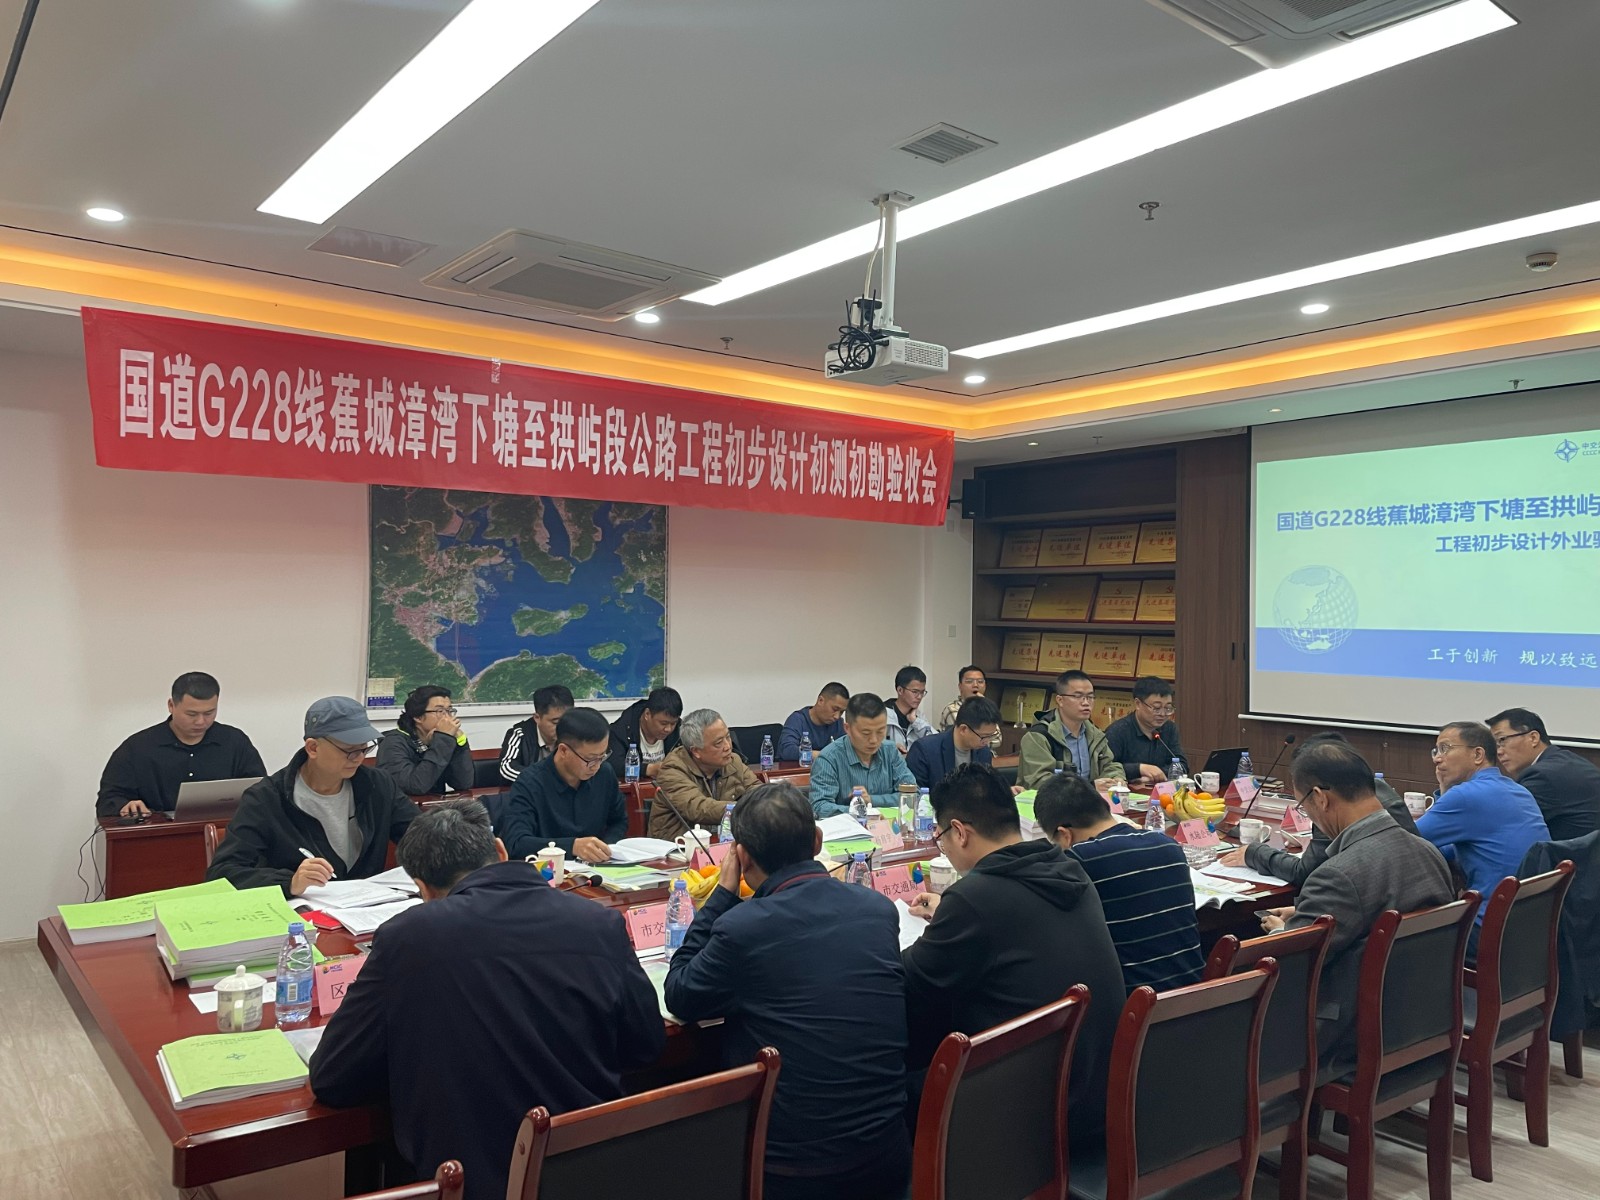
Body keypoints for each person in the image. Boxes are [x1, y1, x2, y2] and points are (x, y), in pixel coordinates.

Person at [310, 799, 663, 1200]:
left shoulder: (407, 938)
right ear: (500, 849)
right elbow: (646, 1046)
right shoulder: (599, 922)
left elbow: (333, 1079)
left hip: (471, 1184)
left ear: (422, 888)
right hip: (593, 1172)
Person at [664, 782, 910, 1200]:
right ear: (817, 841)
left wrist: (722, 895)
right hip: (886, 1156)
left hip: (789, 1172)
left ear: (742, 856)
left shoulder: (744, 928)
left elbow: (679, 994)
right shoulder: (877, 910)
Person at [902, 765, 1123, 1151]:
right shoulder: (1068, 869)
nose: (945, 848)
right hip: (1101, 1093)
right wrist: (952, 915)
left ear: (960, 832)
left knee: (892, 1080)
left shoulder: (974, 899)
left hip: (1034, 1118)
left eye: (941, 837)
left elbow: (908, 982)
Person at [1255, 741, 1455, 1077]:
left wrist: (1282, 932)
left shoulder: (1336, 875)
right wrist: (1306, 915)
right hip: (1421, 1018)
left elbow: (1292, 966)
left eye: (1303, 806)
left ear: (1320, 798)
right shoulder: (1427, 851)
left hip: (1349, 1037)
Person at [205, 697, 419, 896]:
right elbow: (222, 873)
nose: (359, 758)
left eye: (364, 749)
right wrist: (289, 882)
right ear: (313, 748)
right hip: (302, 914)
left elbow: (422, 838)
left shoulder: (378, 785)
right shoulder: (266, 799)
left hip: (367, 907)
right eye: (350, 750)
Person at [1035, 772, 1205, 994]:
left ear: (1065, 835)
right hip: (1194, 998)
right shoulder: (1167, 845)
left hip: (1135, 1005)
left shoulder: (1079, 860)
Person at [1219, 731, 1419, 887]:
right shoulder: (1379, 791)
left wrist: (1255, 853)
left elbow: (1306, 873)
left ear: (1319, 796)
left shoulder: (1335, 807)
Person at [1417, 721, 1549, 938]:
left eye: (1445, 748)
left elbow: (1404, 842)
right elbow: (1454, 848)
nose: (1437, 758)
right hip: (1528, 926)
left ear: (1478, 755)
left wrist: (1447, 792)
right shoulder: (1518, 790)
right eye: (1436, 751)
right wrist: (1445, 788)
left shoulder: (1466, 795)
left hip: (1487, 928)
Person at [96, 671, 266, 818]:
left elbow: (261, 792)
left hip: (226, 834)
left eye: (209, 713)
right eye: (191, 714)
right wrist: (126, 806)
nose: (201, 721)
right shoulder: (137, 748)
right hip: (159, 838)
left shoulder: (234, 742)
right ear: (171, 705)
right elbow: (108, 800)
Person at [502, 707, 626, 864]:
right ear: (563, 750)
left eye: (602, 756)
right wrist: (572, 847)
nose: (596, 766)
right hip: (548, 873)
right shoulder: (530, 783)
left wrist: (605, 848)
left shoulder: (605, 774)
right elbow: (516, 843)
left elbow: (619, 821)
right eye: (590, 759)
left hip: (598, 869)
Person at [1487, 707, 1600, 841]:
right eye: (1495, 745)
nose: (1499, 752)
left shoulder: (1542, 775)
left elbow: (1502, 822)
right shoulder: (1565, 760)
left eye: (1502, 740)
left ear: (1533, 738)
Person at [648, 708, 760, 841]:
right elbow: (698, 809)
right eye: (718, 743)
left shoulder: (733, 761)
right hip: (677, 847)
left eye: (728, 737)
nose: (727, 747)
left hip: (720, 843)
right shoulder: (672, 769)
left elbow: (757, 789)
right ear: (696, 751)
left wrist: (771, 800)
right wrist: (746, 808)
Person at [807, 692, 917, 817]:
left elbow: (913, 795)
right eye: (866, 733)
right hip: (848, 828)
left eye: (880, 731)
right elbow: (820, 807)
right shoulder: (829, 759)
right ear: (847, 728)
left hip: (890, 827)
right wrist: (862, 811)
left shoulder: (890, 751)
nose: (874, 740)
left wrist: (871, 800)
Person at [1017, 670, 1125, 790]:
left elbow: (1110, 765)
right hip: (1049, 801)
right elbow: (1039, 782)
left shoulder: (1095, 734)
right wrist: (1090, 787)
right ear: (1060, 700)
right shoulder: (1039, 736)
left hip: (1089, 799)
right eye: (1078, 696)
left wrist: (1116, 779)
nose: (1086, 703)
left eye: (1090, 697)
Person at [374, 685, 474, 796]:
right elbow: (415, 786)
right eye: (440, 711)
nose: (447, 718)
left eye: (449, 710)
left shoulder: (441, 739)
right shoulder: (392, 743)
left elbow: (463, 783)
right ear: (418, 717)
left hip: (435, 805)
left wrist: (460, 744)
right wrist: (443, 739)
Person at [1102, 676, 1188, 786]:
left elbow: (1182, 765)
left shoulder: (1169, 728)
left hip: (1161, 792)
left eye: (1167, 708)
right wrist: (1139, 769)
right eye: (1157, 708)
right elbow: (1105, 768)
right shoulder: (1117, 731)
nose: (1163, 714)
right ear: (1138, 704)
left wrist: (1154, 776)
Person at [906, 696, 1000, 790]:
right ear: (963, 729)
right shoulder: (924, 750)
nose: (987, 741)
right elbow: (916, 794)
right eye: (984, 736)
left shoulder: (983, 752)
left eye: (990, 736)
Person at [497, 685, 573, 784]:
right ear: (537, 718)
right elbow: (507, 768)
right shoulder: (520, 734)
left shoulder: (575, 733)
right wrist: (542, 778)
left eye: (566, 721)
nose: (563, 727)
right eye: (556, 722)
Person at [606, 686, 683, 780]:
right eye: (663, 723)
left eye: (673, 723)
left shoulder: (681, 729)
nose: (668, 729)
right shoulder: (621, 729)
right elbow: (612, 765)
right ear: (647, 714)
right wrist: (648, 769)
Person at [777, 682, 849, 760]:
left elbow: (846, 751)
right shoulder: (797, 720)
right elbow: (787, 751)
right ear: (821, 701)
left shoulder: (838, 723)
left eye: (841, 712)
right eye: (835, 709)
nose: (837, 716)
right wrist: (823, 755)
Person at [937, 666, 1001, 751]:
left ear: (985, 686)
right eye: (969, 681)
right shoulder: (952, 709)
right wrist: (985, 740)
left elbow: (998, 740)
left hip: (985, 755)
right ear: (960, 686)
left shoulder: (988, 709)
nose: (975, 685)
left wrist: (983, 704)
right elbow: (967, 739)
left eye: (980, 682)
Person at [885, 666, 936, 752]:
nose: (919, 697)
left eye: (922, 692)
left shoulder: (919, 717)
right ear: (900, 690)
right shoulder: (884, 714)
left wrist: (915, 721)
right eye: (915, 692)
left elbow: (936, 743)